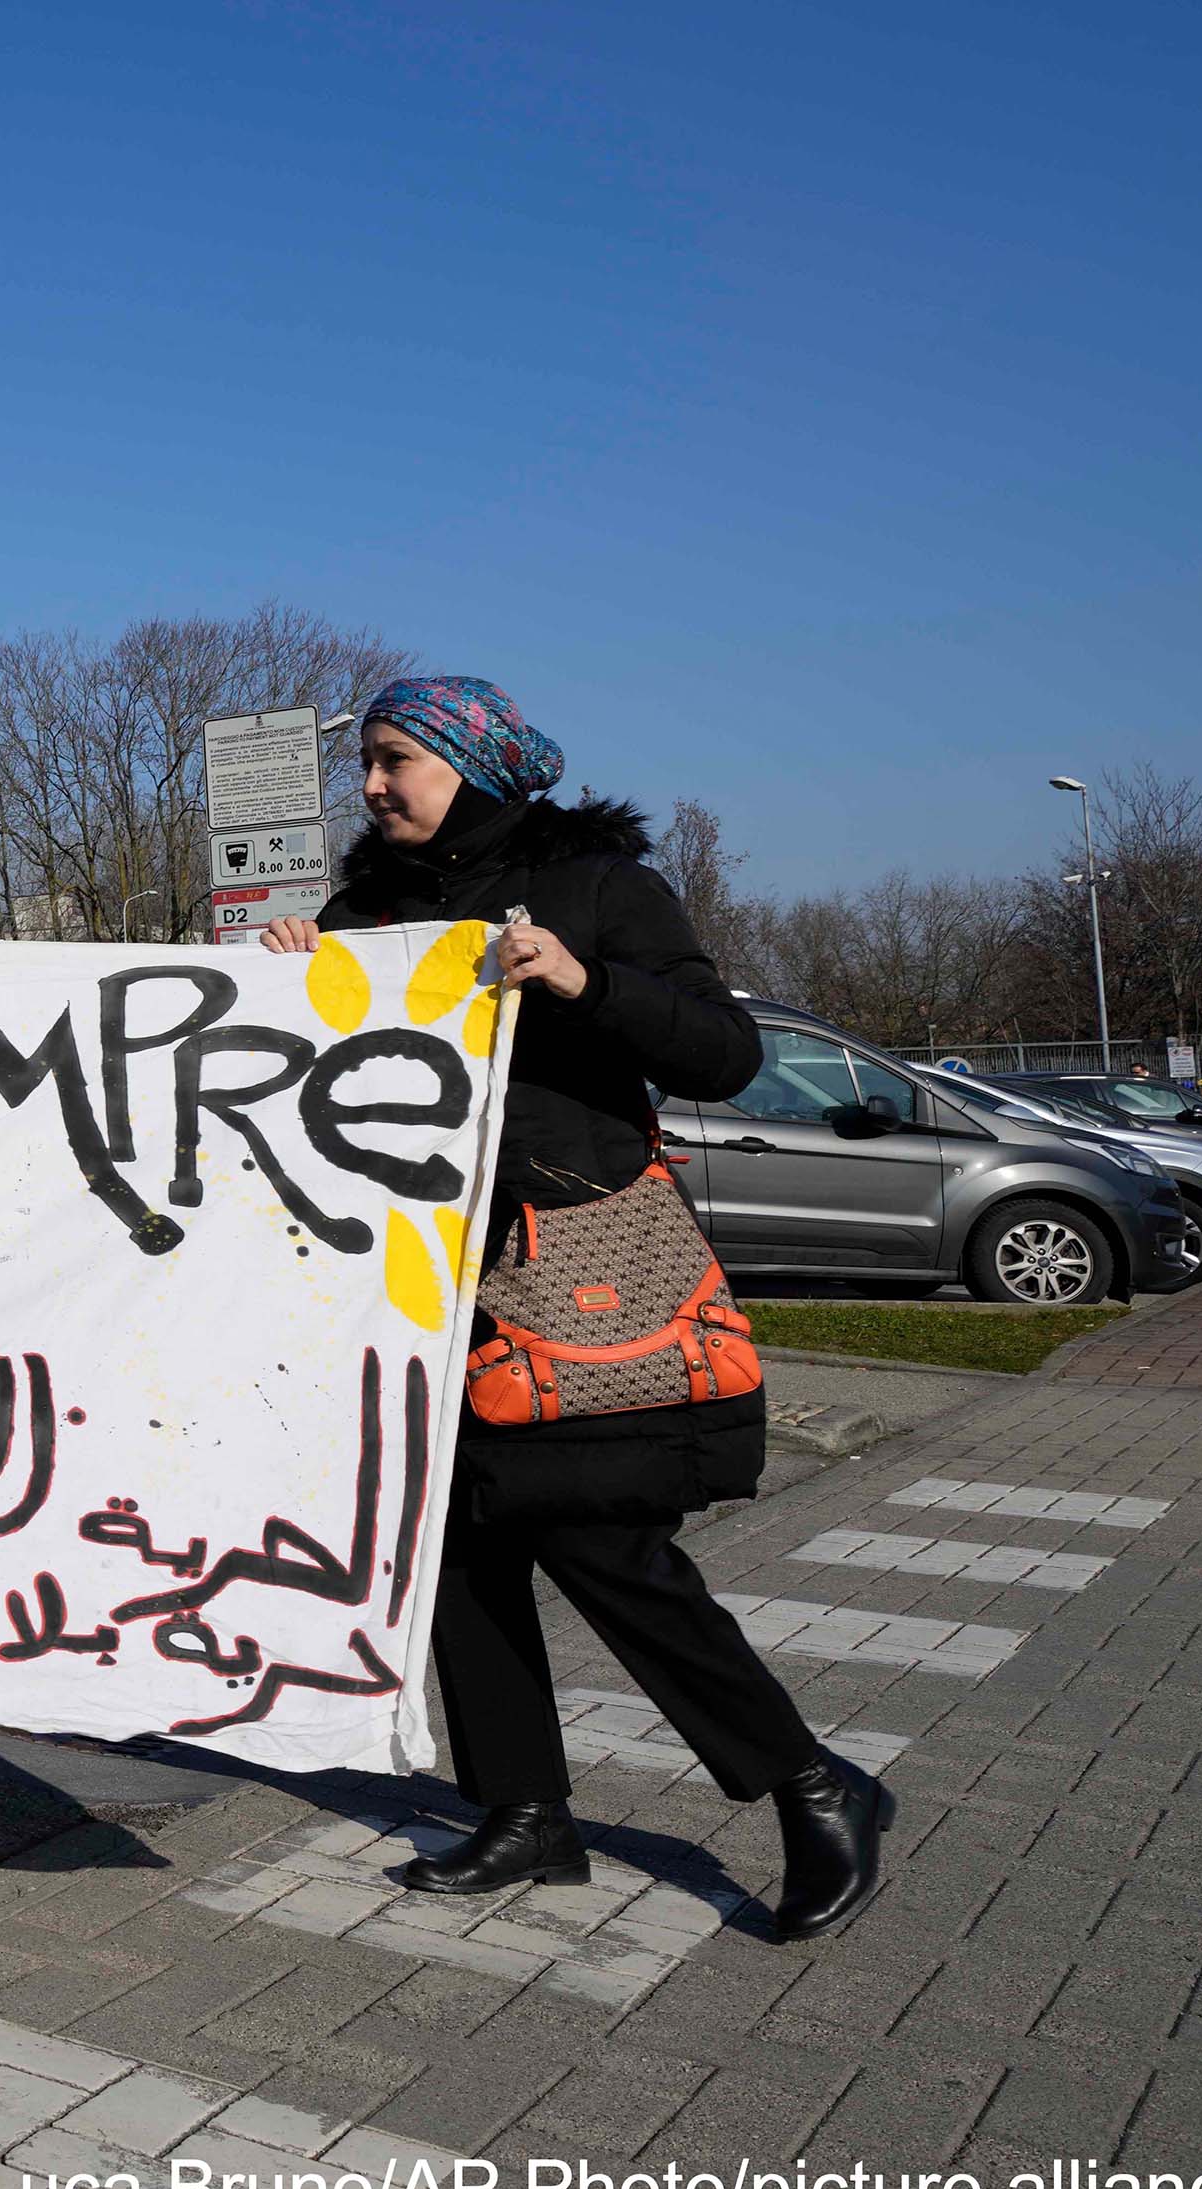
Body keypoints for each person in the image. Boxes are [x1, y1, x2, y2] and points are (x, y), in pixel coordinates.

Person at [259, 676, 881, 1943]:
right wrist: (288, 985)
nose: (371, 787)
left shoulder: (593, 882)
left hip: (573, 1263)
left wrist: (580, 980)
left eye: (393, 761)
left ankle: (813, 1784)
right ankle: (525, 1814)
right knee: (453, 1551)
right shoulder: (365, 908)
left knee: (605, 1544)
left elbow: (722, 1052)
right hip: (415, 1282)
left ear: (469, 763)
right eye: (366, 767)